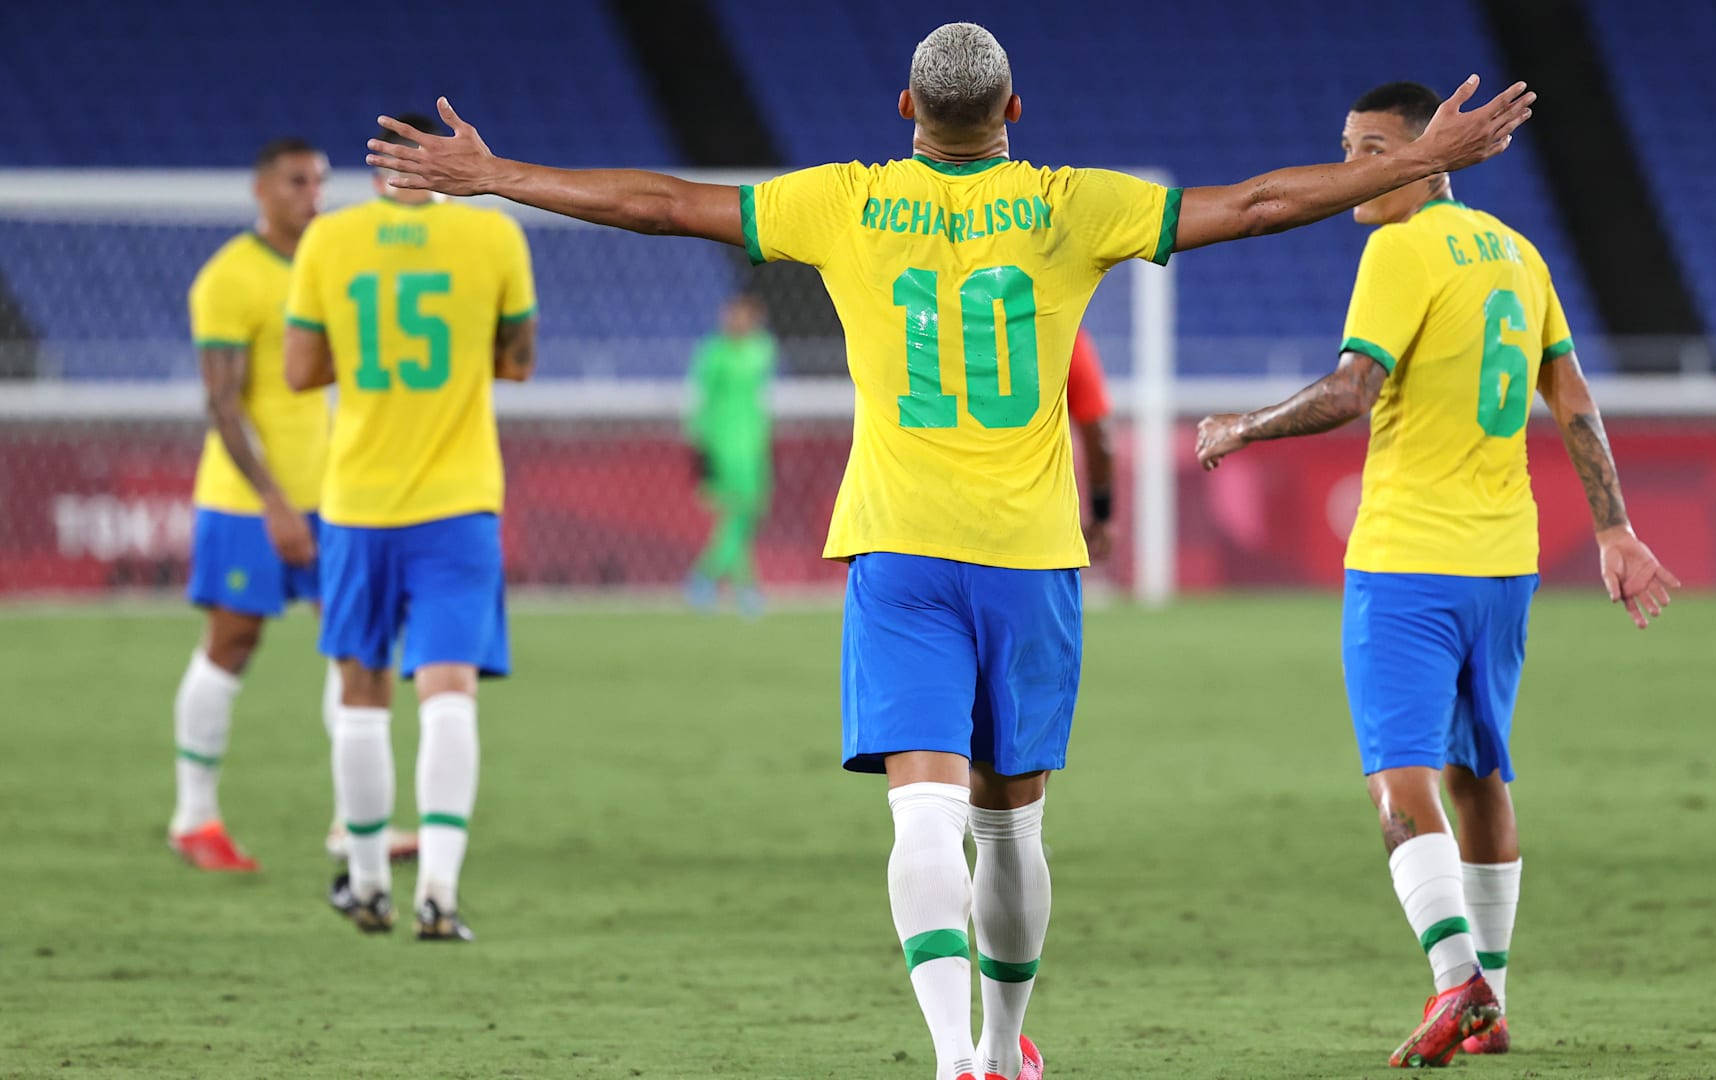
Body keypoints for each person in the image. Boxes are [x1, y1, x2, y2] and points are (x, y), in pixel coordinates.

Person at [367, 30, 1530, 1078]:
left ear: (904, 109)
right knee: (1010, 824)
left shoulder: (847, 204)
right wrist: (1412, 166)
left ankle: (956, 1063)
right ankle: (996, 1041)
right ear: (1015, 112)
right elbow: (1266, 202)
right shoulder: (1071, 203)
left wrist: (494, 176)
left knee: (920, 817)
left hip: (899, 553)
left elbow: (663, 205)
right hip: (1028, 559)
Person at [1194, 81, 1679, 1067]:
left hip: (1408, 563)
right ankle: (1492, 1000)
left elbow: (1351, 390)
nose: (1358, 170)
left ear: (1431, 154)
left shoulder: (1399, 249)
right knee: (1482, 774)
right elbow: (1571, 395)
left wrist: (1239, 429)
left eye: (1374, 149)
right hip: (1505, 563)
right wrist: (1615, 528)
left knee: (1398, 777)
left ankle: (1455, 979)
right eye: (1348, 148)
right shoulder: (1519, 254)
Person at [285, 113, 537, 941]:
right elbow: (519, 360)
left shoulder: (328, 241)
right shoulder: (495, 237)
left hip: (358, 504)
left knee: (359, 696)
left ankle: (364, 885)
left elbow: (299, 371)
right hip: (459, 503)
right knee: (448, 694)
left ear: (375, 171)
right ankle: (438, 890)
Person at [174, 137, 347, 871]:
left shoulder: (333, 264)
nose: (313, 194)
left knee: (353, 648)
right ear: (261, 191)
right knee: (232, 645)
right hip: (249, 503)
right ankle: (195, 818)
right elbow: (222, 403)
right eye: (297, 181)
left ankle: (355, 822)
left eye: (320, 181)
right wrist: (274, 501)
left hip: (337, 496)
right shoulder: (229, 277)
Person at [685, 293, 776, 614]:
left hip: (754, 447)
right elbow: (701, 402)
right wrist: (700, 448)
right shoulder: (713, 354)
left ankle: (707, 576)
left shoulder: (761, 350)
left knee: (742, 521)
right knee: (736, 518)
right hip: (723, 448)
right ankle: (743, 588)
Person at [1065, 327, 1115, 561]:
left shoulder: (946, 329)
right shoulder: (1064, 335)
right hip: (1032, 514)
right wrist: (1101, 514)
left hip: (947, 515)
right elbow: (1099, 438)